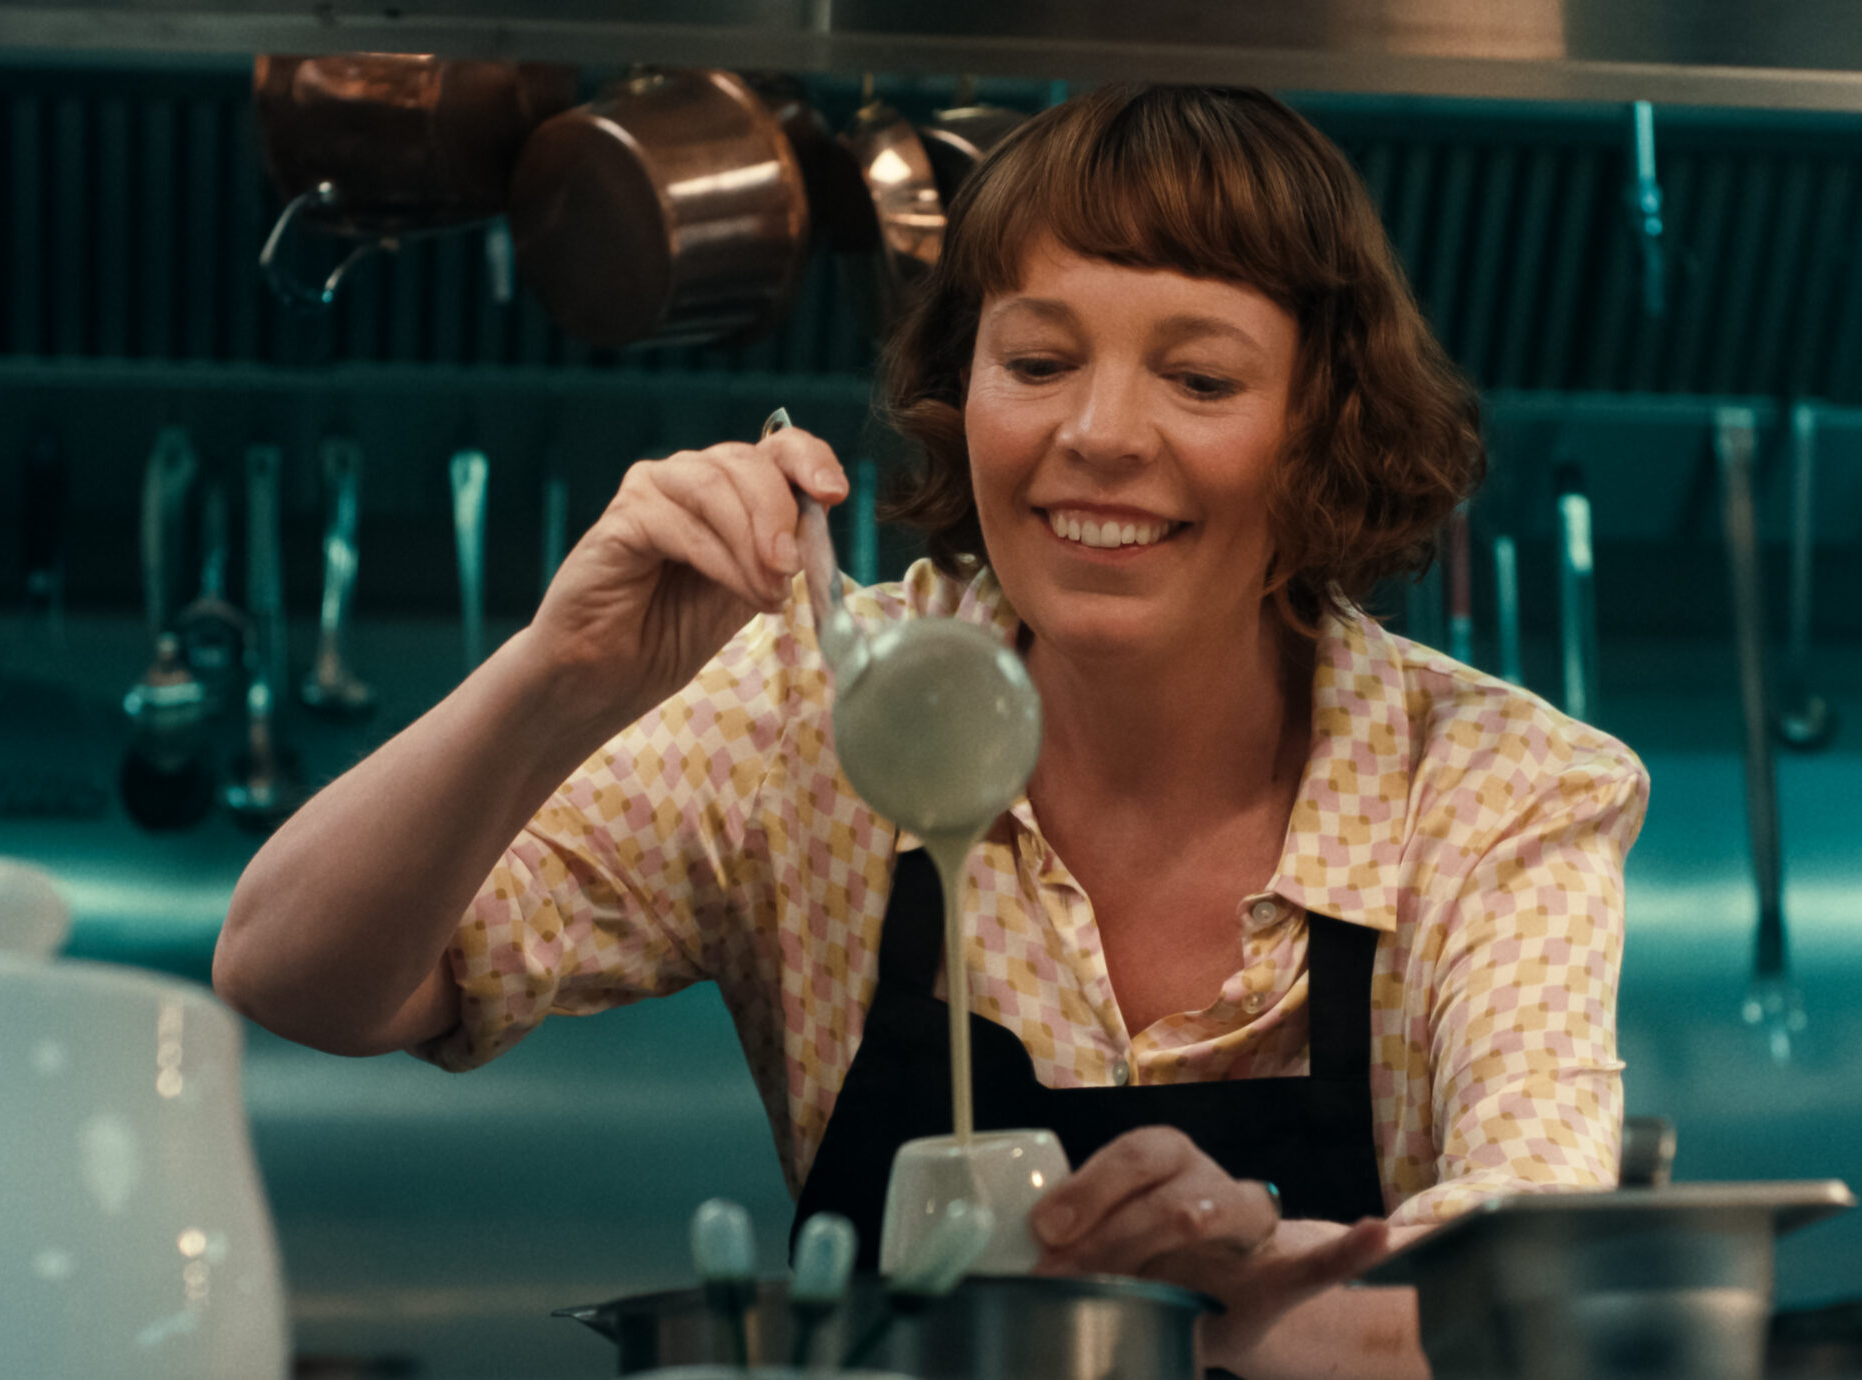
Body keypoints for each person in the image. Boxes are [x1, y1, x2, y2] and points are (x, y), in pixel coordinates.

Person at [216, 83, 1647, 1379]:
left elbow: (1541, 1283)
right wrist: (559, 680)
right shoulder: (814, 706)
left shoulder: (1497, 790)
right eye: (1038, 362)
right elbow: (293, 974)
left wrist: (1248, 1258)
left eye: (1200, 380)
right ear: (964, 394)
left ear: (1320, 422)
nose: (1100, 433)